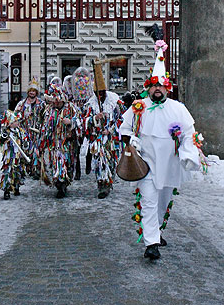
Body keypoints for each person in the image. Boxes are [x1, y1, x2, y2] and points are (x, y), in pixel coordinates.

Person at [119, 38, 201, 261]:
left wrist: (188, 154)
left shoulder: (178, 109)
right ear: (148, 88)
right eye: (154, 85)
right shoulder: (139, 107)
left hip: (170, 166)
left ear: (167, 88)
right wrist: (131, 142)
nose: (157, 89)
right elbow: (124, 129)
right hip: (146, 164)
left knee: (163, 202)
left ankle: (156, 231)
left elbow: (188, 134)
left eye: (161, 86)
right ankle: (151, 243)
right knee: (148, 200)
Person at [84, 62, 126, 199]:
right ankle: (102, 185)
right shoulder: (91, 103)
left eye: (101, 93)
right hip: (98, 140)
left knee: (111, 161)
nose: (100, 95)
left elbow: (123, 118)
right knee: (99, 162)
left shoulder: (115, 101)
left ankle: (109, 181)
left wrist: (112, 130)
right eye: (97, 93)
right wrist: (95, 118)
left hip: (111, 139)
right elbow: (85, 121)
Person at [39, 83, 82, 198]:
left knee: (68, 164)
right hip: (55, 143)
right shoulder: (49, 110)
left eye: (57, 100)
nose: (56, 103)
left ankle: (65, 182)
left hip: (68, 143)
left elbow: (80, 121)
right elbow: (45, 126)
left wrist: (71, 122)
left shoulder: (71, 108)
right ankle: (60, 185)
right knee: (57, 164)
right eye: (53, 101)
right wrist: (42, 142)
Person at [14, 77, 45, 178]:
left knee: (36, 151)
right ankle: (25, 168)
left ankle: (36, 169)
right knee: (25, 150)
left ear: (36, 92)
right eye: (30, 91)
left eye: (34, 91)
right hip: (25, 132)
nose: (32, 93)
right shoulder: (21, 104)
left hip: (37, 132)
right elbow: (15, 116)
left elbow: (46, 116)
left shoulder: (41, 104)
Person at [0, 110, 30, 200]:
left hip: (18, 156)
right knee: (8, 171)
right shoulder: (6, 132)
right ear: (9, 123)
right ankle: (7, 190)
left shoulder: (20, 131)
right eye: (14, 121)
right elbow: (1, 143)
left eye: (17, 121)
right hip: (9, 156)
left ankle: (16, 187)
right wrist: (5, 141)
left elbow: (26, 139)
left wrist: (26, 144)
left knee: (18, 171)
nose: (17, 123)